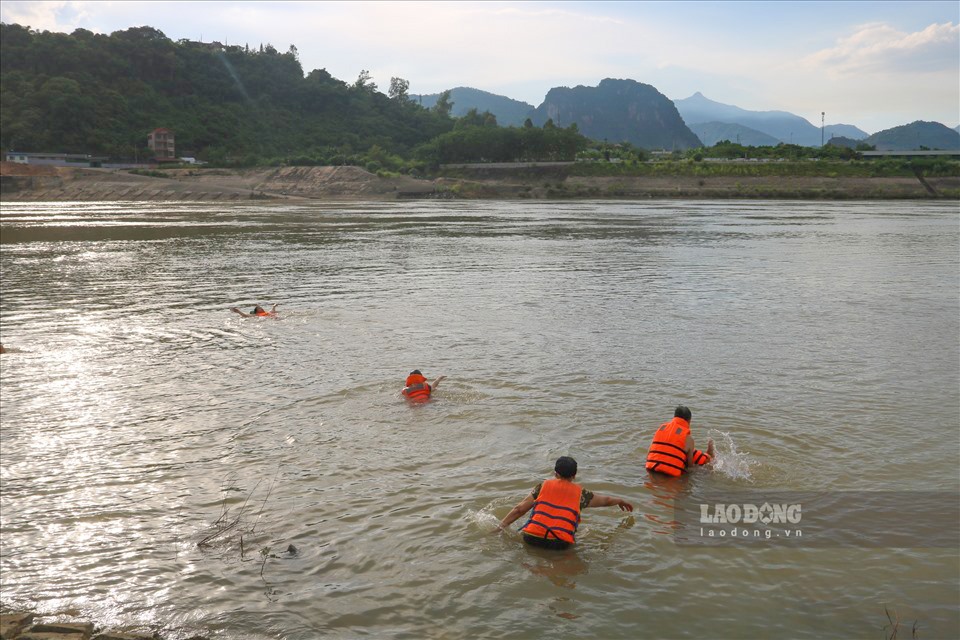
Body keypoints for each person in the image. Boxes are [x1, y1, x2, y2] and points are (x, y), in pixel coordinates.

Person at [496, 456, 633, 550]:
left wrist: (499, 528)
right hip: (559, 544)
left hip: (532, 538)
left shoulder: (542, 486)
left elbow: (519, 509)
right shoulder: (581, 495)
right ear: (574, 475)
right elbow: (605, 500)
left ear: (555, 473)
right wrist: (620, 500)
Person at [645, 405, 715, 477]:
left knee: (680, 451)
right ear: (689, 421)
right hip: (672, 478)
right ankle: (708, 457)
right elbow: (689, 466)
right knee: (696, 464)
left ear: (674, 417)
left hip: (651, 470)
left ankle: (707, 455)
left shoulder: (661, 429)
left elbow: (649, 453)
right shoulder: (689, 439)